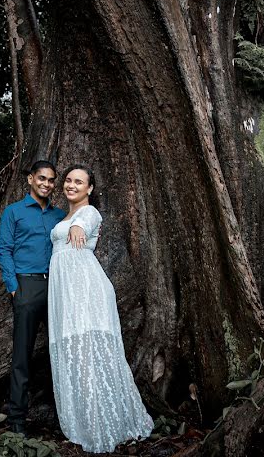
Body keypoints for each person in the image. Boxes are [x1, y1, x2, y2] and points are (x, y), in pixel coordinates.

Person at [48, 165, 153, 453]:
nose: (71, 185)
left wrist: (78, 227)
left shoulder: (89, 213)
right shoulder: (65, 216)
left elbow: (85, 224)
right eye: (68, 180)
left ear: (90, 189)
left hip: (85, 290)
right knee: (74, 350)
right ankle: (84, 420)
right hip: (64, 292)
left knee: (89, 350)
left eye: (78, 182)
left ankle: (103, 423)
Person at [0, 160, 67, 434]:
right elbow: (4, 250)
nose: (46, 184)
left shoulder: (59, 215)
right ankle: (16, 421)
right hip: (26, 287)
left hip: (57, 288)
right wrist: (14, 288)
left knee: (60, 354)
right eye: (42, 178)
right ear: (30, 179)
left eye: (51, 180)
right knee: (22, 358)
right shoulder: (13, 212)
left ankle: (65, 419)